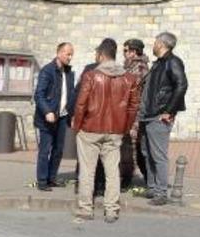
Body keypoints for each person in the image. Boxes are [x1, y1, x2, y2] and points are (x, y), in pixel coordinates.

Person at [72, 40, 141, 223]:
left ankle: (86, 209)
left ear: (101, 55)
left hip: (90, 129)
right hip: (115, 130)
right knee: (112, 171)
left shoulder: (91, 76)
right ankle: (111, 210)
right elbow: (133, 107)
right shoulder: (129, 78)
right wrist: (124, 128)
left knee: (87, 171)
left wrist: (77, 125)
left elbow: (81, 104)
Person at [140, 32, 188, 205]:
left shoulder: (172, 62)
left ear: (161, 44)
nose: (152, 45)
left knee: (158, 155)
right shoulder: (159, 64)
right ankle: (152, 187)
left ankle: (161, 193)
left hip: (158, 116)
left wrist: (168, 110)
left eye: (155, 42)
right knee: (147, 153)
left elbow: (182, 85)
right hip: (148, 115)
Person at [34, 42, 76, 191]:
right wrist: (47, 111)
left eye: (71, 54)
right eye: (67, 54)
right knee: (45, 150)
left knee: (58, 150)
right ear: (59, 53)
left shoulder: (69, 73)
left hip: (63, 117)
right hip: (48, 118)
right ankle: (42, 181)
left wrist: (72, 114)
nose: (70, 57)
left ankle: (52, 178)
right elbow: (39, 95)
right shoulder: (47, 71)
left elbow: (71, 95)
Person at [122, 38, 151, 187]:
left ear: (133, 52)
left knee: (131, 147)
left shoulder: (139, 68)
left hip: (135, 115)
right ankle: (147, 179)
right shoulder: (131, 66)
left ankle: (129, 180)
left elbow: (132, 92)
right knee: (134, 148)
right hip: (130, 113)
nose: (124, 54)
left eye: (126, 50)